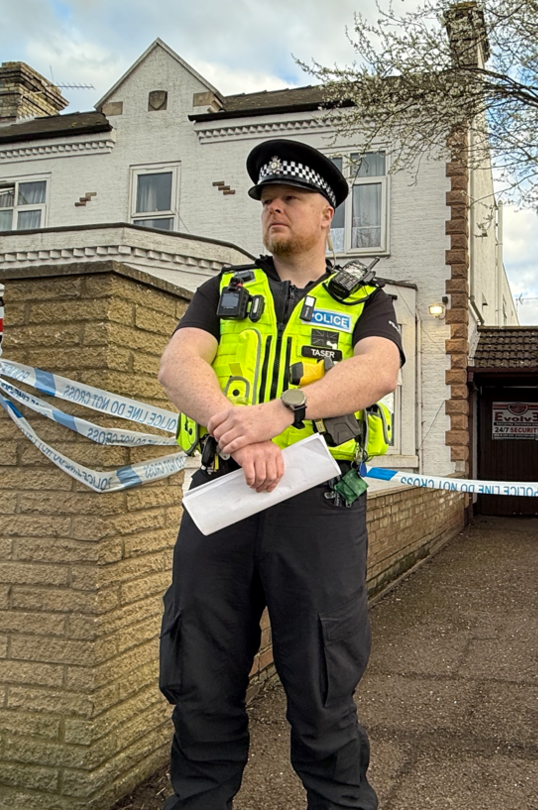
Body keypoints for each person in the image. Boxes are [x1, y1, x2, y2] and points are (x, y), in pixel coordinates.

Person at [156, 139, 402, 810]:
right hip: (223, 500)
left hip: (318, 504)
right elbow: (179, 365)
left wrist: (281, 411)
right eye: (267, 201)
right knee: (201, 686)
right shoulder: (224, 291)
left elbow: (379, 369)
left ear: (327, 215)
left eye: (290, 199)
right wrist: (233, 432)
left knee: (323, 690)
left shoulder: (365, 301)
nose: (275, 209)